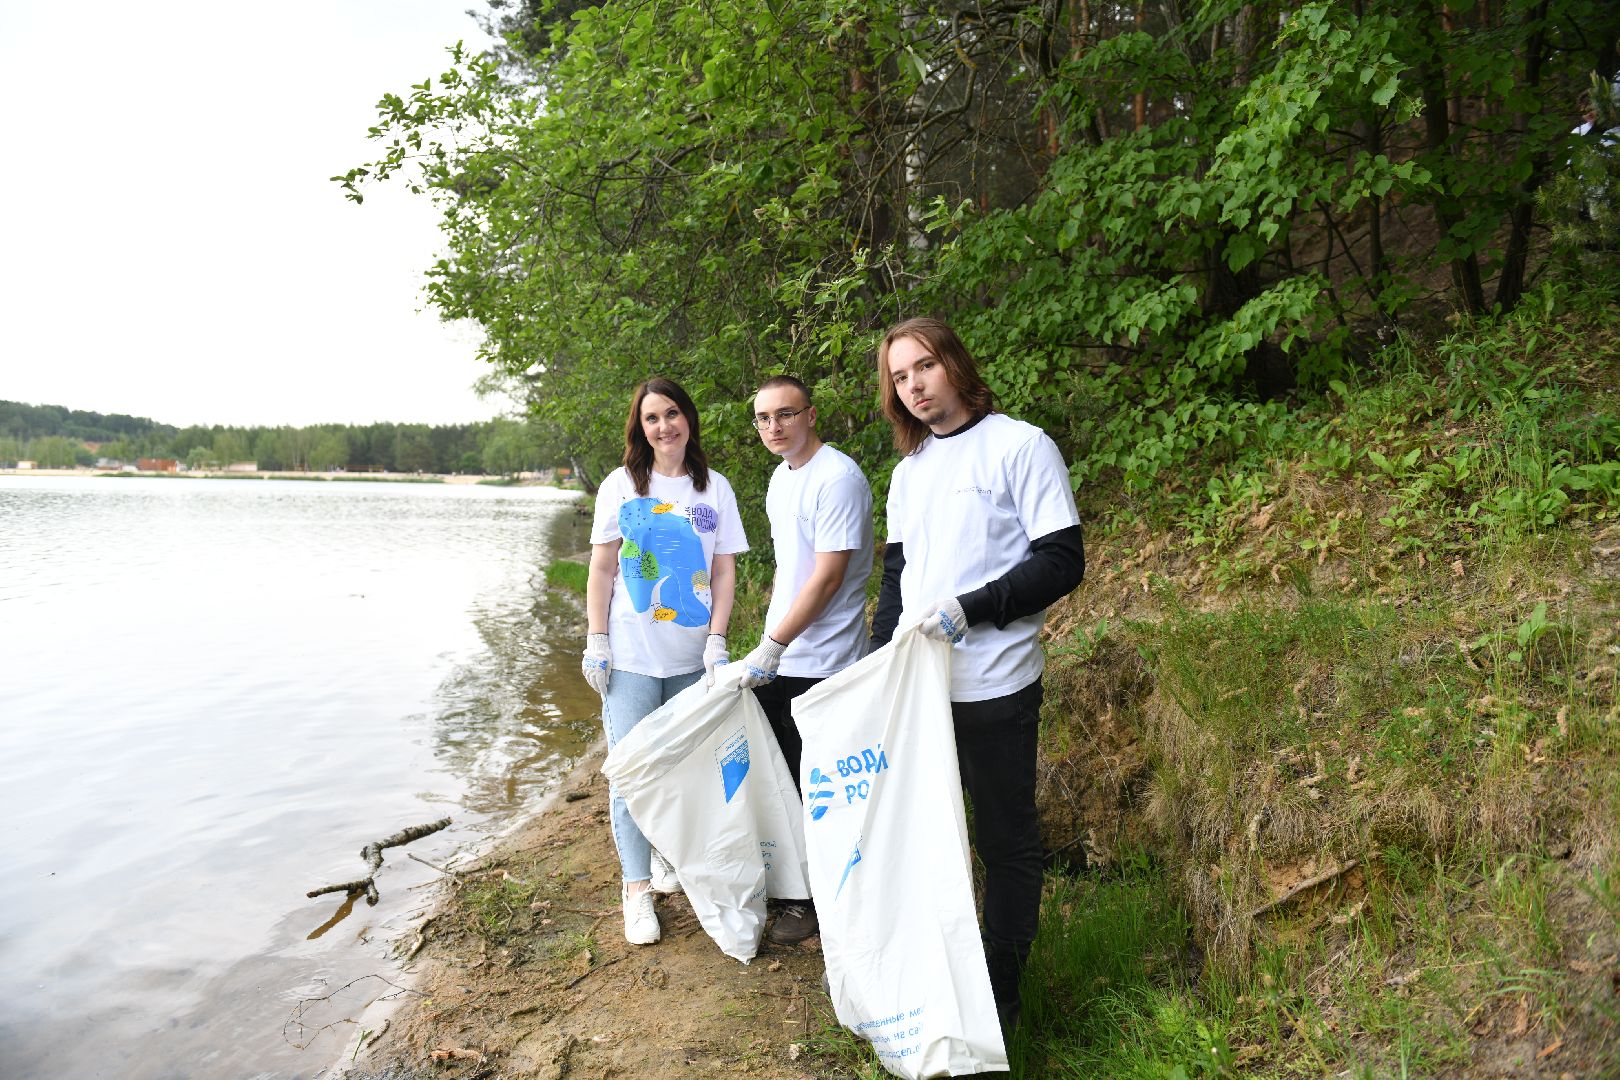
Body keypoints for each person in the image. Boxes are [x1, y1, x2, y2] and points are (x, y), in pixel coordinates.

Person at [867, 317, 1085, 1038]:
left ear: (954, 364)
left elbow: (1061, 561)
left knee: (1005, 841)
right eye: (901, 377)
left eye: (925, 367)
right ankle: (939, 983)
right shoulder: (909, 472)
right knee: (926, 839)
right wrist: (876, 669)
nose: (916, 386)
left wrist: (975, 607)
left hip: (994, 685)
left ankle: (1003, 995)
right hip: (918, 694)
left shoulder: (1019, 446)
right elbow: (897, 579)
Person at [582, 377, 749, 945]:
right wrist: (597, 640)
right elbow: (603, 569)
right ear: (640, 427)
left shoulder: (714, 488)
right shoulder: (622, 485)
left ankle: (668, 857)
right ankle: (635, 890)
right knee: (631, 773)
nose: (664, 426)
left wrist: (717, 640)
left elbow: (723, 569)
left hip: (690, 655)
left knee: (680, 768)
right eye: (652, 418)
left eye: (672, 414)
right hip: (629, 656)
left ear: (688, 418)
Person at [736, 375, 874, 946]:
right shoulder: (780, 477)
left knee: (817, 786)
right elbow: (789, 569)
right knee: (781, 782)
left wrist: (774, 645)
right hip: (785, 652)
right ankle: (797, 893)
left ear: (810, 415)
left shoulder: (837, 479)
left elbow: (828, 577)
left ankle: (827, 904)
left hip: (824, 662)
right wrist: (769, 634)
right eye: (764, 418)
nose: (774, 427)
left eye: (785, 415)